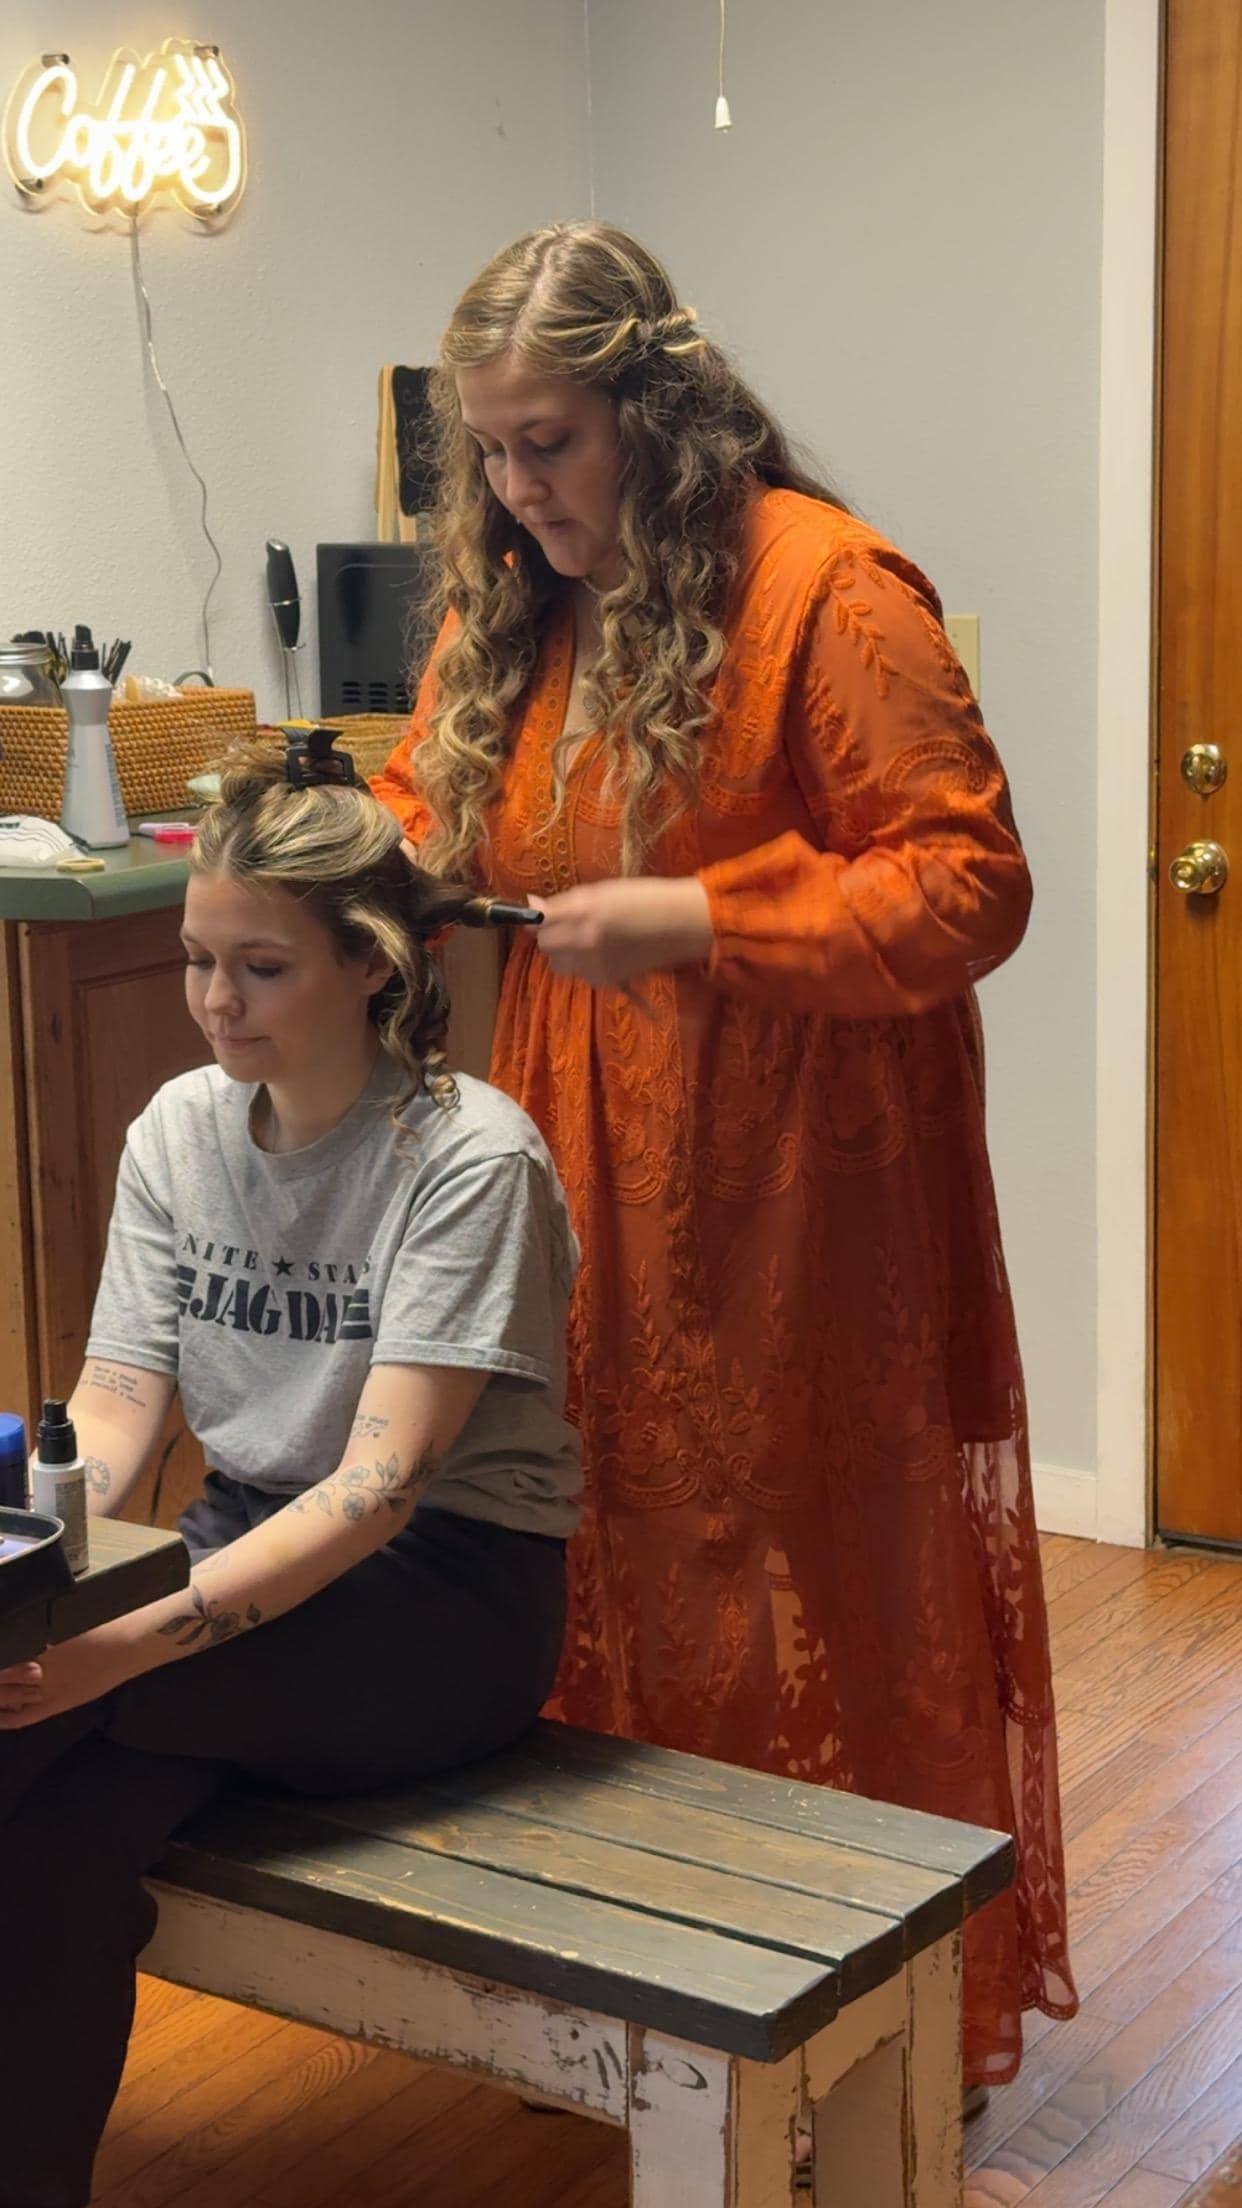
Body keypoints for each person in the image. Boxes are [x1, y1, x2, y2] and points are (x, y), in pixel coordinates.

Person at [371, 218, 1078, 2095]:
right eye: (490, 454)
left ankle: (855, 2010)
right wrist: (358, 858)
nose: (518, 492)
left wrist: (700, 916)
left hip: (796, 1179)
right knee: (609, 1533)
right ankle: (652, 1987)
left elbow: (967, 885)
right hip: (582, 1154)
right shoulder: (517, 594)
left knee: (800, 1560)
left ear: (657, 415)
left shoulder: (825, 587)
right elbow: (437, 797)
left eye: (550, 444)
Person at [0, 732, 580, 2208]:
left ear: (371, 964)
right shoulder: (180, 1128)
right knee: (53, 1850)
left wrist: (106, 1650)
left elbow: (377, 1492)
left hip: (442, 1602)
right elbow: (115, 1408)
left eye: (259, 968)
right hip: (236, 1555)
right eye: (199, 961)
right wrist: (38, 1568)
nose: (215, 1002)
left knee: (53, 1715)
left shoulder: (469, 1160)